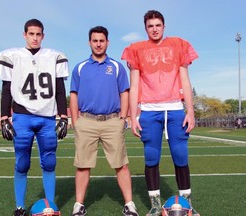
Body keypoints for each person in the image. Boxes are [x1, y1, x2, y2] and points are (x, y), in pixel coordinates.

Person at [122, 10, 199, 216]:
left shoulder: (178, 44)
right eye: (150, 26)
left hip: (174, 108)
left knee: (181, 156)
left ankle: (188, 204)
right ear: (145, 28)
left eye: (157, 25)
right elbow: (134, 86)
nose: (154, 29)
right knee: (151, 157)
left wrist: (190, 111)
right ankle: (155, 205)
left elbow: (185, 80)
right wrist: (132, 115)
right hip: (149, 110)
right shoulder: (136, 49)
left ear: (164, 26)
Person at [0, 19, 69, 216]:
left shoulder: (54, 56)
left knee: (49, 162)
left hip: (47, 116)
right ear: (24, 35)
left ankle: (50, 206)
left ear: (43, 36)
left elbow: (60, 89)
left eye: (38, 34)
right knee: (22, 163)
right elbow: (6, 89)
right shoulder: (12, 56)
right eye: (31, 34)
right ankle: (20, 206)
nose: (35, 38)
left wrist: (64, 115)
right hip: (22, 116)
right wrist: (4, 117)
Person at [70, 26, 139, 216]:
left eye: (102, 40)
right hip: (87, 121)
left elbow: (124, 92)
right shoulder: (80, 67)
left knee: (121, 164)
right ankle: (79, 205)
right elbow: (73, 95)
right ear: (89, 42)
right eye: (95, 40)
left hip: (112, 121)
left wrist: (122, 118)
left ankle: (129, 204)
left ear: (107, 42)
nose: (98, 44)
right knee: (83, 165)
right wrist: (76, 121)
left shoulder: (116, 67)